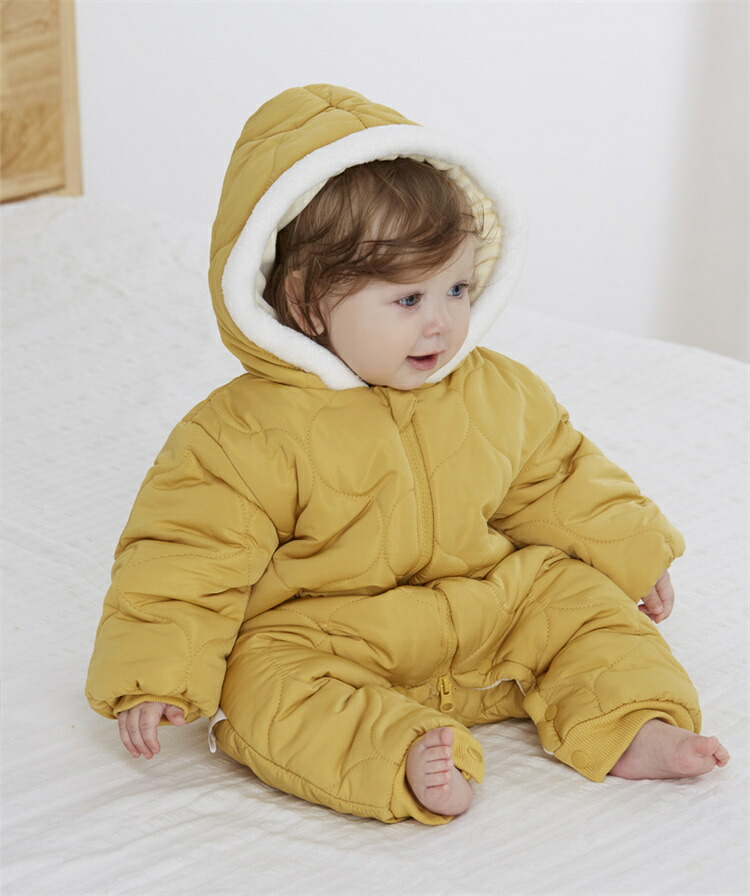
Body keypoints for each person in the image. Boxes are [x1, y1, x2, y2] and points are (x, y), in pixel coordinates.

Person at [85, 84, 729, 825]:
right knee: (259, 679)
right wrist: (156, 674)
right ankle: (402, 754)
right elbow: (186, 556)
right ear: (307, 302)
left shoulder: (496, 389)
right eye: (407, 300)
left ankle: (631, 722)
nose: (443, 323)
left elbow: (557, 476)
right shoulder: (241, 431)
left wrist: (634, 551)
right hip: (333, 633)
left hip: (489, 605)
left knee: (581, 601)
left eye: (456, 288)